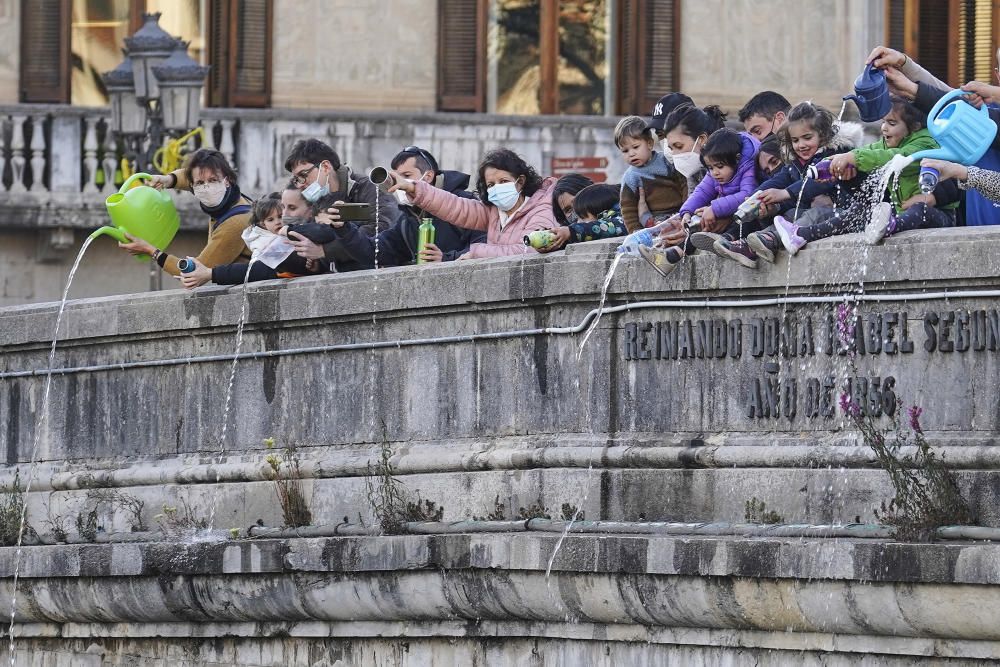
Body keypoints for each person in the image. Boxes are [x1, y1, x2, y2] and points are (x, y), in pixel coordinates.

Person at [749, 96, 954, 258]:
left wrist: (851, 157)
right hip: (891, 212)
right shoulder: (885, 143)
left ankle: (890, 225)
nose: (883, 128)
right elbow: (873, 152)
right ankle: (801, 234)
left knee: (920, 209)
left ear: (915, 127)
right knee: (857, 211)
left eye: (891, 123)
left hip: (938, 217)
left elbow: (895, 158)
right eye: (883, 122)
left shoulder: (925, 144)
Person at [713, 101, 863, 268]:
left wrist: (785, 193)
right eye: (795, 140)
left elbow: (819, 182)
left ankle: (772, 239)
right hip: (825, 213)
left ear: (823, 135)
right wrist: (755, 197)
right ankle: (751, 245)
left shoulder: (836, 155)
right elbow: (779, 180)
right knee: (791, 213)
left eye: (807, 138)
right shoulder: (796, 162)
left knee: (816, 214)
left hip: (848, 213)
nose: (801, 145)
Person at [869, 45, 1000, 226]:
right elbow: (945, 98)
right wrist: (904, 64)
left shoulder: (987, 120)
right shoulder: (983, 111)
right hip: (974, 237)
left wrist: (960, 173)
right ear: (998, 74)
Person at [323, 146, 485, 267]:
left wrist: (447, 258)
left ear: (428, 176)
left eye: (406, 176)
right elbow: (376, 253)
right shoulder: (407, 219)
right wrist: (343, 228)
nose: (399, 183)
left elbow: (488, 247)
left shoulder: (465, 202)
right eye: (396, 177)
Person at [387, 148, 558, 257]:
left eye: (504, 181)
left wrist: (476, 252)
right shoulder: (493, 211)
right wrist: (412, 188)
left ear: (520, 181)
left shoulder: (542, 208)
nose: (497, 188)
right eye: (491, 184)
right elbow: (453, 206)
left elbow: (529, 250)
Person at [639, 128, 760, 276]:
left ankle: (726, 241)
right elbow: (702, 191)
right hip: (724, 214)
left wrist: (714, 209)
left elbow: (747, 196)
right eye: (710, 168)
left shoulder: (748, 166)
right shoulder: (715, 172)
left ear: (736, 159)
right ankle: (670, 257)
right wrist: (687, 212)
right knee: (698, 226)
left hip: (747, 218)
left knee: (739, 221)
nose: (715, 172)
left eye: (720, 167)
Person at [116, 148, 252, 275]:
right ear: (193, 185)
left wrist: (151, 251)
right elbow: (187, 176)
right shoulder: (232, 197)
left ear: (226, 181)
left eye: (213, 180)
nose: (206, 188)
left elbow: (196, 271)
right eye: (199, 183)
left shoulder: (235, 223)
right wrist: (167, 179)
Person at [282, 138, 404, 264]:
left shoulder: (369, 187)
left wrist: (326, 251)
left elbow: (382, 230)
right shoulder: (318, 198)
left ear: (325, 167)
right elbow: (313, 241)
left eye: (303, 175)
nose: (300, 184)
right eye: (297, 179)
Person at [180, 195, 337, 287]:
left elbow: (326, 237)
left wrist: (316, 265)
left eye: (282, 216)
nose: (279, 222)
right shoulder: (265, 242)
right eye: (271, 219)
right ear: (263, 224)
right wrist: (211, 274)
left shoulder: (300, 228)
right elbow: (258, 270)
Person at [615, 115, 687, 234]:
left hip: (680, 212)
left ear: (649, 144)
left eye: (635, 147)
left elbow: (683, 183)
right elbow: (628, 209)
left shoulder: (666, 160)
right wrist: (635, 232)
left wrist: (687, 208)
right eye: (625, 151)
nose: (631, 154)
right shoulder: (630, 177)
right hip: (656, 220)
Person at [537, 183, 626, 252]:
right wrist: (554, 241)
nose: (578, 222)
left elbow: (604, 228)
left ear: (600, 214)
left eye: (582, 217)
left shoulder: (622, 222)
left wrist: (572, 232)